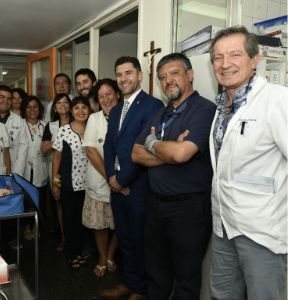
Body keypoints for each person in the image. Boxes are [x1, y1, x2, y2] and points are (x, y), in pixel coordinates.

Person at [208, 26, 287, 300]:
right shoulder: (221, 106)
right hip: (223, 225)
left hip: (261, 231)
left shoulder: (277, 99)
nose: (225, 64)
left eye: (234, 55)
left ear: (255, 60)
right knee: (222, 295)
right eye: (218, 57)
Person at [131, 53, 216, 299]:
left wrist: (154, 142)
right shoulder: (161, 113)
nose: (168, 80)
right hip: (156, 204)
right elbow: (136, 154)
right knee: (156, 273)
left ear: (190, 75)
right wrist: (166, 150)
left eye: (174, 73)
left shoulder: (205, 109)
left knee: (186, 278)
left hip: (189, 209)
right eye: (162, 77)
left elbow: (180, 155)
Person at [101, 56, 163, 300]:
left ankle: (141, 289)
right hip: (117, 185)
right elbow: (108, 146)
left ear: (139, 75)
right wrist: (111, 177)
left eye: (128, 73)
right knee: (125, 239)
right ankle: (129, 282)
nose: (123, 79)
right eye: (119, 74)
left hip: (138, 187)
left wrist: (123, 181)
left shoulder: (152, 105)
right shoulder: (116, 109)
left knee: (140, 240)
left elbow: (145, 148)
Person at [82, 79, 120, 278]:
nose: (105, 99)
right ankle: (102, 258)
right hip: (99, 180)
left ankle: (112, 254)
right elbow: (90, 149)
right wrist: (110, 177)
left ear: (118, 94)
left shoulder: (126, 115)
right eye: (101, 96)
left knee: (120, 224)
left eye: (109, 94)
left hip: (124, 182)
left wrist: (118, 180)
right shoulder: (94, 119)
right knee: (100, 225)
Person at [52, 96, 91, 269]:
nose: (81, 111)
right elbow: (57, 157)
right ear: (71, 110)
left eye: (84, 107)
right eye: (76, 108)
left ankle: (79, 249)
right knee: (70, 219)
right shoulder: (64, 131)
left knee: (83, 220)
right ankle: (70, 253)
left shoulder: (93, 128)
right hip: (69, 183)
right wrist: (55, 181)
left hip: (90, 183)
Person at [41, 93, 72, 251]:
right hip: (57, 170)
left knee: (75, 205)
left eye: (66, 102)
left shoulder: (78, 121)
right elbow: (44, 149)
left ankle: (75, 239)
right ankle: (64, 238)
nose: (63, 105)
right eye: (59, 103)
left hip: (76, 170)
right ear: (54, 107)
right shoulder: (51, 126)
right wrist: (59, 139)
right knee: (59, 204)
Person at [21, 95, 48, 240]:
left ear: (40, 109)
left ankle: (36, 227)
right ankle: (26, 226)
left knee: (39, 201)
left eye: (35, 107)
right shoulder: (19, 125)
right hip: (24, 170)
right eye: (29, 107)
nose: (32, 110)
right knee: (26, 201)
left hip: (40, 169)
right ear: (24, 109)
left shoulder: (45, 126)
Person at [0, 85, 28, 176]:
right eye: (2, 97)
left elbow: (23, 148)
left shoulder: (19, 121)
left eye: (9, 98)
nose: (5, 101)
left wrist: (16, 173)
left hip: (14, 170)